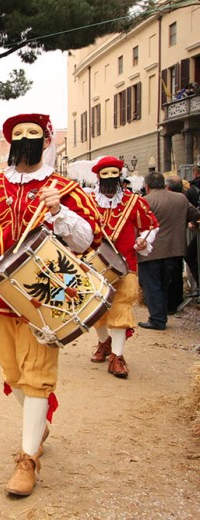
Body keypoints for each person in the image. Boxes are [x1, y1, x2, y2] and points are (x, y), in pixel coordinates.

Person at [0, 113, 101, 496]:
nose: (24, 138)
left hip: (47, 294)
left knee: (36, 372)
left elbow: (87, 238)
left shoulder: (63, 188)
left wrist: (58, 210)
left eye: (32, 133)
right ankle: (38, 424)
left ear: (45, 140)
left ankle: (27, 459)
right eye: (18, 133)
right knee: (12, 374)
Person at [87, 157, 159, 378]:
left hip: (126, 265)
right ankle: (103, 342)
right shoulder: (89, 201)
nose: (109, 179)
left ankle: (117, 356)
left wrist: (144, 240)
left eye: (113, 174)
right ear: (99, 178)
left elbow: (150, 225)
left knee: (122, 307)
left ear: (120, 176)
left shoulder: (134, 202)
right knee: (95, 310)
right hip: (95, 264)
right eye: (105, 175)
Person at [137, 172, 200, 329]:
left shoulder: (144, 201)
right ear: (164, 184)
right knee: (165, 284)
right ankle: (163, 313)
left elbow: (137, 223)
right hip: (175, 250)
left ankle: (157, 319)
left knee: (152, 285)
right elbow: (196, 214)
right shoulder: (180, 198)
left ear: (147, 185)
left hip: (150, 251)